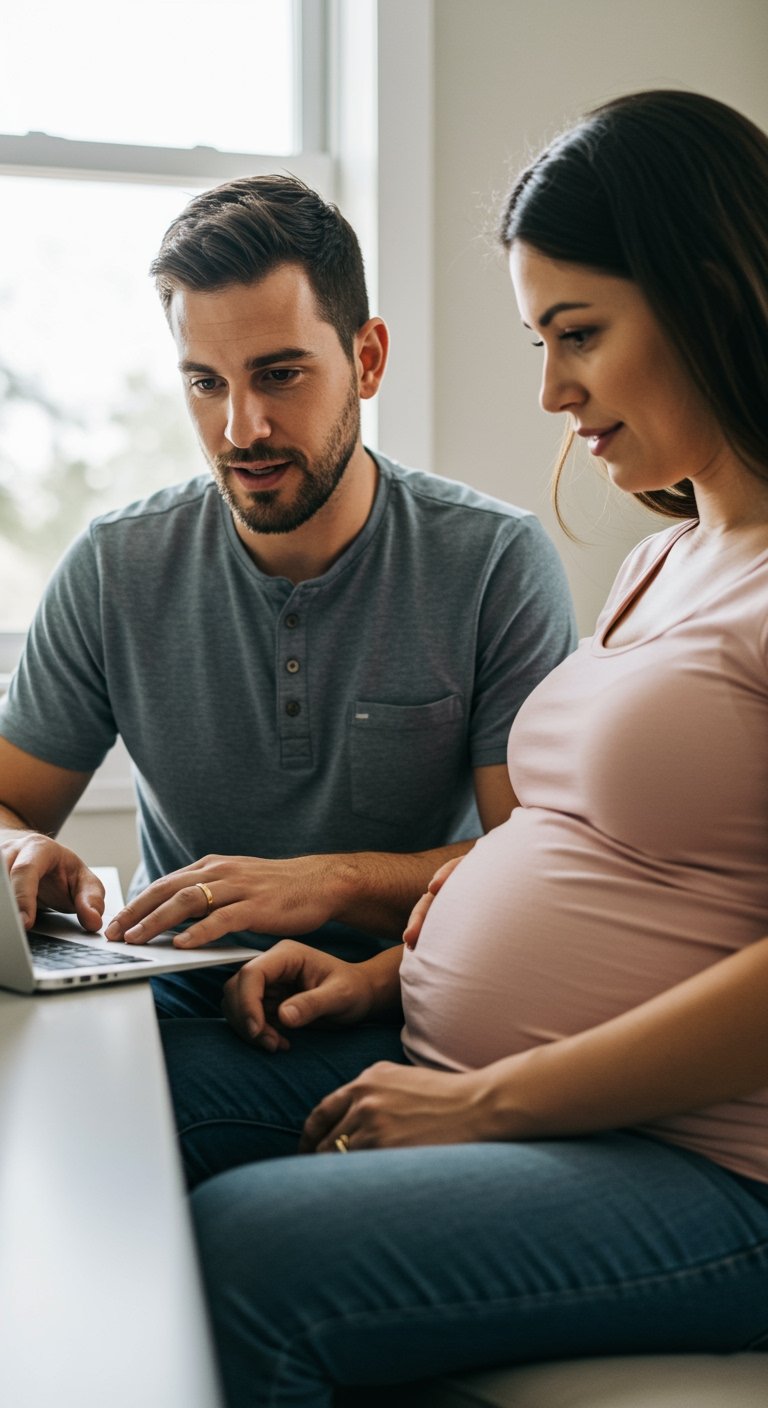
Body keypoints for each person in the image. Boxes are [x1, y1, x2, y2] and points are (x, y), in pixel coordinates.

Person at [160, 90, 768, 1407]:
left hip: (713, 1163)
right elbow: (584, 849)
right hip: (486, 1057)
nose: (552, 390)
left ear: (715, 295)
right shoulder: (670, 554)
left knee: (248, 1253)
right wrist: (384, 977)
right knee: (150, 1086)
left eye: (581, 335)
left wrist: (487, 1108)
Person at [0, 175, 575, 1016]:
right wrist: (17, 849)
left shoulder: (493, 563)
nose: (241, 428)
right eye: (205, 383)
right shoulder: (114, 566)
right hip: (177, 1000)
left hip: (409, 1002)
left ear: (367, 359)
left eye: (278, 374)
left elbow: (532, 860)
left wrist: (330, 885)